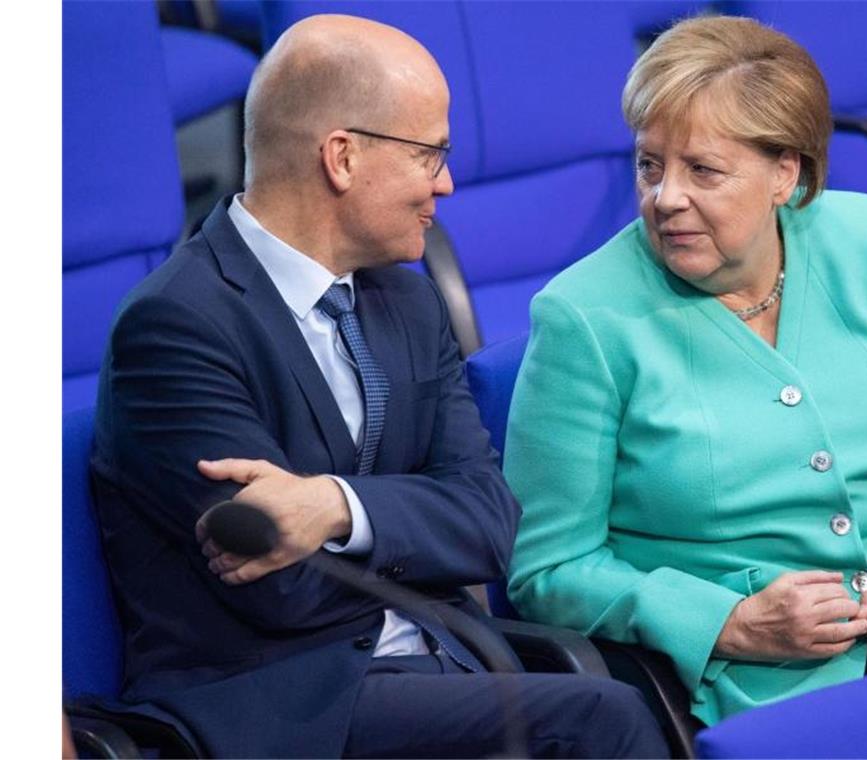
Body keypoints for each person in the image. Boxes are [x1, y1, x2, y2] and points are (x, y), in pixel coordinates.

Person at [91, 14, 666, 758]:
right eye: (432, 154)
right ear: (343, 157)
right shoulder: (175, 328)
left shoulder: (408, 299)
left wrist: (334, 507)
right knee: (601, 719)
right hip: (287, 707)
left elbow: (492, 524)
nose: (449, 184)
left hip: (441, 665)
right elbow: (279, 584)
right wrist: (421, 533)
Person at [504, 15, 867, 727]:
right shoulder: (584, 317)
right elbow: (549, 570)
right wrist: (729, 622)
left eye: (702, 169)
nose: (665, 196)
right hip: (767, 690)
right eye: (650, 165)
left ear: (785, 174)